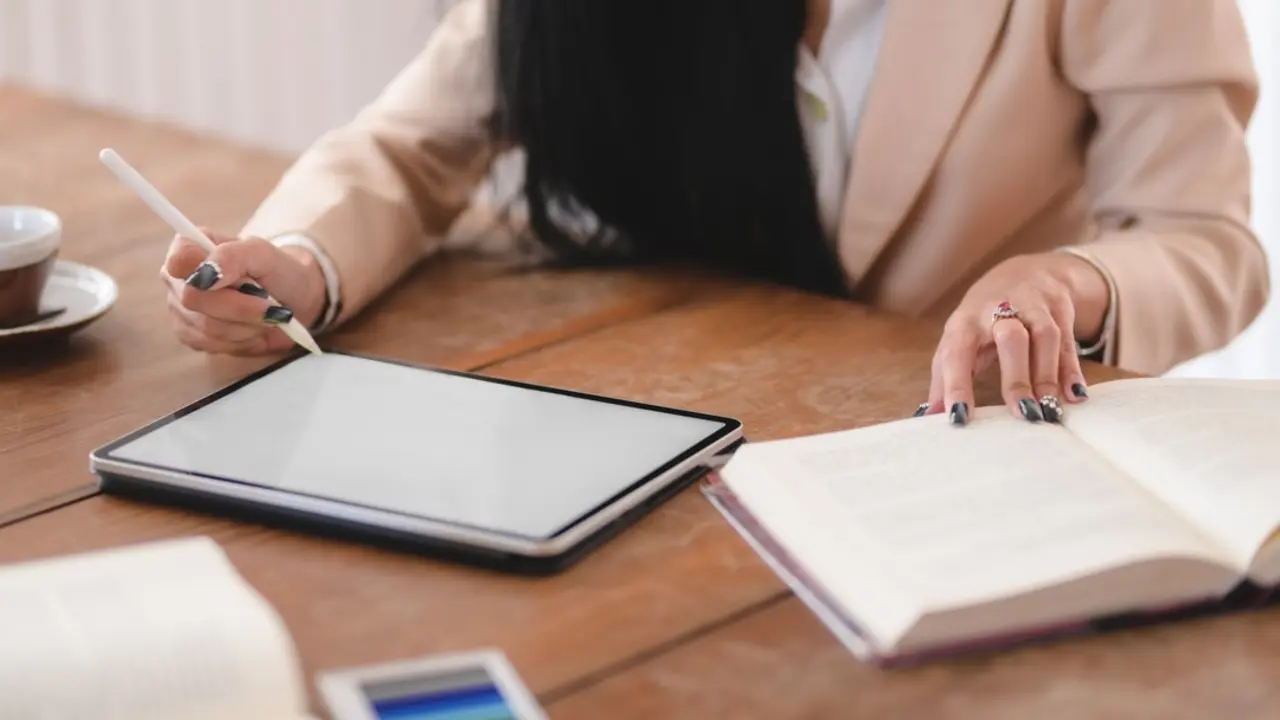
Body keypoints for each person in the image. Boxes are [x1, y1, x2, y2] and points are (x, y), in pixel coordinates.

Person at [163, 0, 1269, 427]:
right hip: (647, 416)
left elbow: (1205, 240)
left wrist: (1070, 285)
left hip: (949, 435)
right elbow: (408, 146)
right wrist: (301, 261)